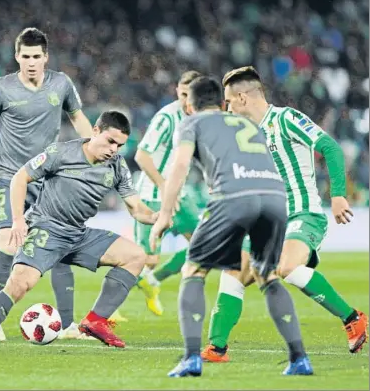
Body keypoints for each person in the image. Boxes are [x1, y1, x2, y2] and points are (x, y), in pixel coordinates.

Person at [200, 66, 368, 362]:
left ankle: (353, 318)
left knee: (286, 267)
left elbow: (330, 147)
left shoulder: (286, 119)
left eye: (228, 101)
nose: (226, 108)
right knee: (234, 271)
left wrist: (338, 194)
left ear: (241, 98)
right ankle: (217, 347)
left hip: (303, 214)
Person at [150, 76, 313, 377]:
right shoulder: (248, 124)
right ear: (223, 104)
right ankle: (299, 358)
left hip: (233, 196)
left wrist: (163, 214)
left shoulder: (192, 123)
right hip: (276, 199)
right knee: (267, 276)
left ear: (189, 104)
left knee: (193, 270)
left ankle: (190, 358)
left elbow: (180, 166)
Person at [0, 111, 155, 353]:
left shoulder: (117, 166)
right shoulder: (60, 153)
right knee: (19, 284)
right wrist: (18, 220)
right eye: (110, 141)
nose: (114, 149)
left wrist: (157, 217)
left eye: (120, 145)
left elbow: (135, 207)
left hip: (78, 235)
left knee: (135, 256)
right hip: (46, 229)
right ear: (95, 131)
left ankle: (96, 320)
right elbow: (20, 178)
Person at [0, 27, 96, 340]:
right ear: (17, 57)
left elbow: (78, 118)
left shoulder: (61, 83)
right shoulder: (0, 88)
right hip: (9, 176)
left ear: (46, 57)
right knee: (9, 242)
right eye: (25, 56)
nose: (31, 62)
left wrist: (95, 148)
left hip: (47, 178)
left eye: (36, 57)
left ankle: (69, 325)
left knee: (59, 246)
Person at [133, 70, 202, 316]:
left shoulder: (199, 118)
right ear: (177, 91)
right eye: (182, 94)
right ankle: (110, 309)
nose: (185, 100)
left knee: (205, 243)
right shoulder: (166, 118)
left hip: (182, 197)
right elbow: (141, 155)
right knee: (145, 260)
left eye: (190, 95)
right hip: (153, 195)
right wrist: (163, 185)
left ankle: (154, 281)